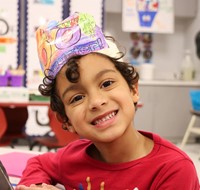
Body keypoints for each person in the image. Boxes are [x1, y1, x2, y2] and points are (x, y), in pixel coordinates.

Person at [16, 12, 199, 190]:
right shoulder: (72, 157)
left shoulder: (173, 169)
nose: (96, 101)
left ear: (133, 89)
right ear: (66, 120)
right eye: (77, 98)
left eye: (107, 83)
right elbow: (37, 163)